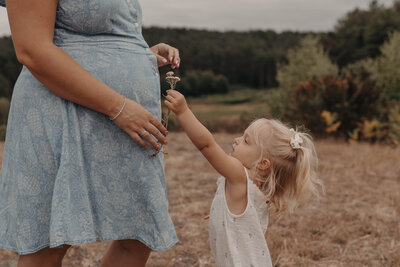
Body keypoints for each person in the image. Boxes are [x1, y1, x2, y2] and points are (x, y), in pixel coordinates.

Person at [0, 0, 179, 266]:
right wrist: (119, 108)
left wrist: (139, 54)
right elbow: (32, 50)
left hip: (123, 120)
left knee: (139, 231)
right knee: (48, 246)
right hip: (61, 114)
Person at [165, 89, 322, 266]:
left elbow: (207, 146)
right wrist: (220, 212)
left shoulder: (239, 176)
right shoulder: (255, 186)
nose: (237, 139)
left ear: (262, 164)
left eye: (246, 141)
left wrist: (183, 112)